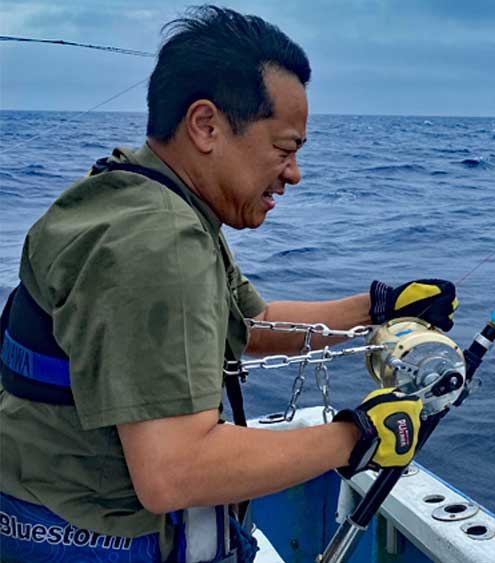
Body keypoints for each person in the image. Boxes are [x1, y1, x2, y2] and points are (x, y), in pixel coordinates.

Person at [0, 6, 457, 562]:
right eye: (284, 149)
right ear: (207, 126)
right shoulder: (159, 243)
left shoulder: (135, 196)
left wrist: (376, 308)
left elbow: (251, 326)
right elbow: (174, 472)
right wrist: (355, 437)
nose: (293, 173)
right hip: (97, 538)